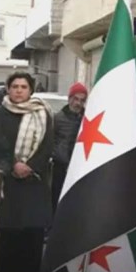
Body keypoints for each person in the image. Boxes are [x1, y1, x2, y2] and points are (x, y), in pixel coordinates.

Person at [0, 72, 54, 272]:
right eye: (15, 86)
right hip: (7, 188)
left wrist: (31, 166)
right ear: (8, 89)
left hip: (33, 187)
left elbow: (48, 146)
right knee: (6, 246)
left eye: (23, 87)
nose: (19, 91)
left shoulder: (42, 113)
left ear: (31, 90)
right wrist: (13, 165)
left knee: (31, 247)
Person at [51, 82, 87, 213]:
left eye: (82, 100)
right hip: (60, 167)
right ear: (69, 99)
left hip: (79, 167)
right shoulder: (58, 118)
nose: (78, 103)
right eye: (75, 99)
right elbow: (51, 140)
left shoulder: (87, 119)